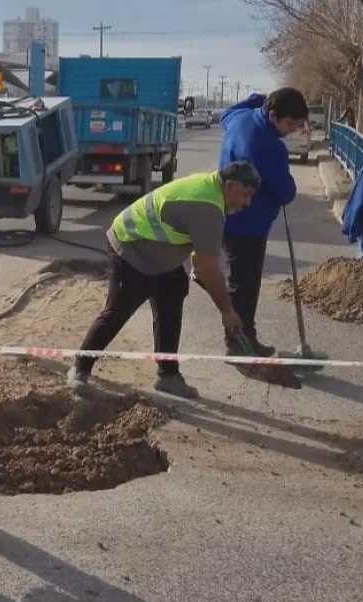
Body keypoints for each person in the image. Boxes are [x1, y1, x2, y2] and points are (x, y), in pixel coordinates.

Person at [66, 161, 261, 400]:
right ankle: (80, 368)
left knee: (173, 292)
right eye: (246, 194)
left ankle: (167, 375)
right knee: (119, 310)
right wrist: (228, 312)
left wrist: (199, 269)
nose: (247, 202)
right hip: (131, 246)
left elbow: (199, 257)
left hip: (159, 254)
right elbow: (210, 269)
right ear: (230, 186)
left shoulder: (211, 190)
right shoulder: (208, 207)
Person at [217, 87, 309, 358]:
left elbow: (226, 113)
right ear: (272, 116)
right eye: (289, 123)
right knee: (244, 286)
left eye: (297, 124)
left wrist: (258, 98)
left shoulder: (240, 118)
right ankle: (239, 344)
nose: (291, 130)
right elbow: (286, 192)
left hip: (227, 213)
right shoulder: (267, 146)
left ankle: (243, 337)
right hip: (248, 223)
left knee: (239, 281)